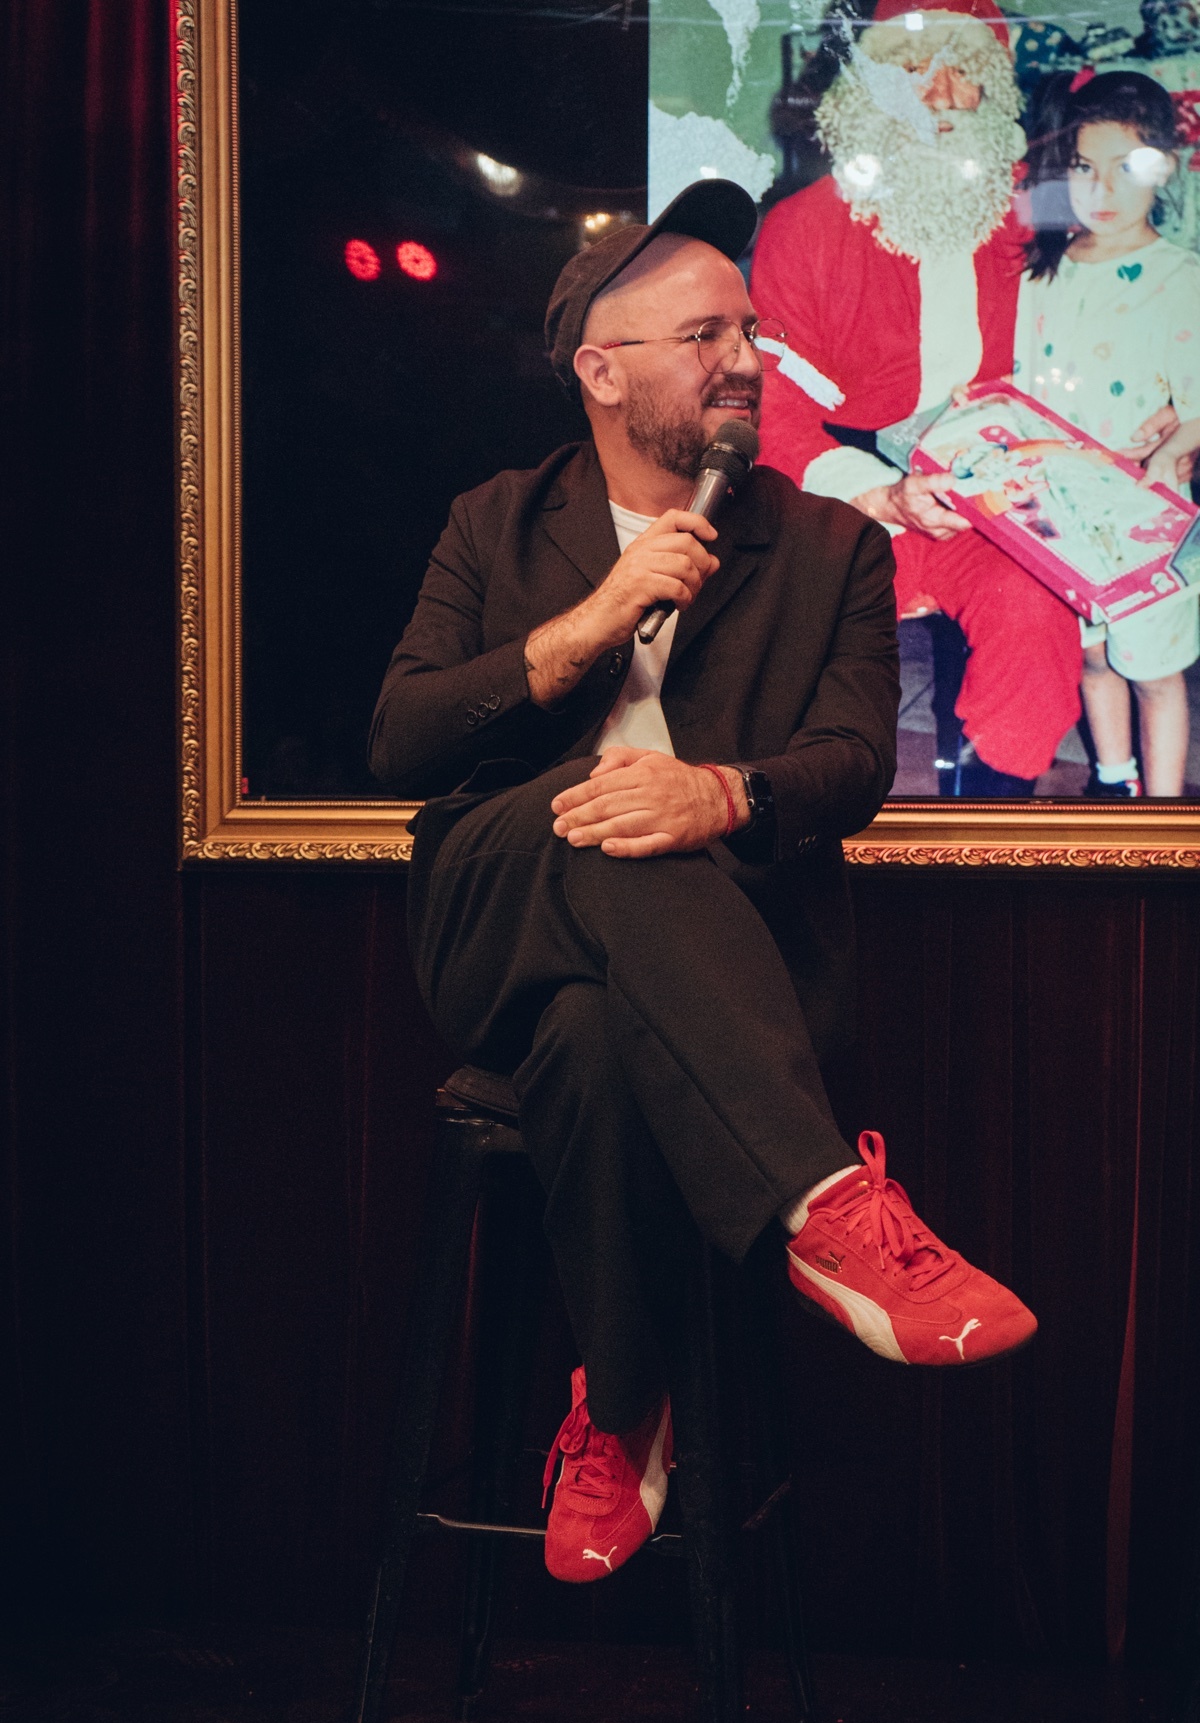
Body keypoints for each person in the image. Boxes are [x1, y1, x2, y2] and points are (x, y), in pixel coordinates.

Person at [369, 179, 1036, 1588]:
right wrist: (590, 626)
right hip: (492, 923)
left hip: (712, 978)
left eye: (748, 326)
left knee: (604, 1030)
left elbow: (854, 756)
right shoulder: (497, 524)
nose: (744, 356)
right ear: (599, 371)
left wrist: (720, 795)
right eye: (700, 333)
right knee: (587, 809)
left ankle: (618, 1408)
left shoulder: (831, 547)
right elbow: (405, 742)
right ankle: (827, 1209)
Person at [751, 0, 1088, 796]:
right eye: (912, 70)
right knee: (805, 681)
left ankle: (990, 835)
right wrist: (881, 495)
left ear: (992, 96)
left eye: (963, 73)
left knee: (1035, 626)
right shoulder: (803, 228)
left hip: (997, 493)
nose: (938, 95)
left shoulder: (1032, 212)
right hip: (851, 494)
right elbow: (772, 407)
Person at [1012, 68, 1200, 797]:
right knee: (1091, 658)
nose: (1105, 192)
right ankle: (1114, 784)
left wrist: (1173, 447)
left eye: (1128, 169)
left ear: (1165, 170)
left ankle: (1161, 813)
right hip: (1061, 513)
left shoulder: (1179, 276)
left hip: (1146, 516)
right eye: (1086, 169)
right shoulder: (1041, 278)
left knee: (1154, 669)